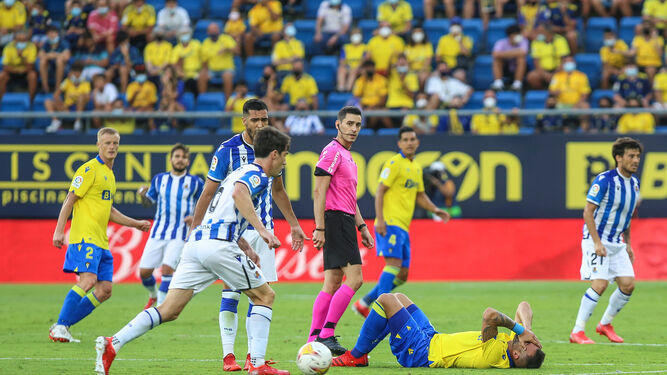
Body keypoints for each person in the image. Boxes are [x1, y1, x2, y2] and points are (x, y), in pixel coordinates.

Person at [95, 127, 293, 375]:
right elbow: (239, 194)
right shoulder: (258, 175)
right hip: (219, 246)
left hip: (197, 244)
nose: (285, 161)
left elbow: (225, 211)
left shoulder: (239, 171)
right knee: (265, 296)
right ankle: (258, 365)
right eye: (285, 155)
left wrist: (245, 246)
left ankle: (113, 343)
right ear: (274, 154)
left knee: (169, 310)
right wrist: (262, 230)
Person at [189, 99, 307, 372]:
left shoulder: (272, 149)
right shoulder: (227, 150)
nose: (261, 125)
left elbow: (279, 190)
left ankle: (255, 357)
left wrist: (294, 224)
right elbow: (209, 191)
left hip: (264, 230)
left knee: (261, 294)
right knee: (232, 292)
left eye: (264, 119)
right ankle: (228, 355)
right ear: (244, 121)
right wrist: (196, 228)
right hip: (235, 233)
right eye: (255, 120)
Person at [49, 128, 150, 344]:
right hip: (85, 237)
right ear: (98, 145)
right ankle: (60, 326)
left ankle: (62, 325)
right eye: (107, 143)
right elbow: (70, 199)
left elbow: (110, 211)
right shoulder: (88, 170)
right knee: (88, 280)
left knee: (104, 290)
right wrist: (59, 230)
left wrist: (136, 224)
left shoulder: (110, 175)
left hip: (101, 240)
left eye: (115, 143)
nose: (112, 147)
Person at [352, 127, 449, 317]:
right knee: (393, 265)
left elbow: (420, 195)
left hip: (403, 226)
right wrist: (380, 219)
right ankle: (381, 312)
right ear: (399, 143)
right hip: (390, 222)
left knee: (402, 274)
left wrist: (435, 209)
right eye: (405, 139)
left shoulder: (416, 167)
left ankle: (364, 303)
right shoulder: (394, 163)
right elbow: (380, 191)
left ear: (417, 142)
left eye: (413, 139)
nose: (410, 142)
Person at [308, 106, 375, 356]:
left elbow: (349, 197)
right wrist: (320, 227)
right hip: (335, 220)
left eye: (358, 125)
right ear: (338, 125)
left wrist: (362, 226)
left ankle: (314, 336)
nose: (354, 129)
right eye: (349, 124)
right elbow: (319, 191)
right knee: (355, 279)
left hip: (345, 220)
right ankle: (326, 333)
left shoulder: (347, 156)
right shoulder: (332, 152)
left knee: (333, 281)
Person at [333, 293, 545, 369]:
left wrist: (520, 329)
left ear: (516, 354)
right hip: (432, 338)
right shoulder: (511, 343)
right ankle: (364, 350)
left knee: (386, 300)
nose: (527, 340)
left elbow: (490, 314)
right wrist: (527, 331)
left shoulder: (495, 356)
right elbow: (523, 306)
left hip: (421, 354)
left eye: (528, 344)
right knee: (400, 298)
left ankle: (356, 356)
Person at [570, 137, 643, 344]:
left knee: (628, 285)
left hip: (616, 242)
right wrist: (597, 242)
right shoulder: (604, 180)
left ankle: (605, 324)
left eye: (638, 156)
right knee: (600, 284)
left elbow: (626, 216)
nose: (636, 160)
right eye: (631, 156)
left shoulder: (635, 184)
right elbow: (588, 212)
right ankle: (577, 331)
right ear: (618, 158)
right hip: (596, 239)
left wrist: (628, 244)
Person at [136, 144, 204, 309]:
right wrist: (142, 195)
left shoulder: (196, 182)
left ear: (188, 161)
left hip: (180, 233)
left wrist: (196, 218)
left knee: (167, 269)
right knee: (144, 272)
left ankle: (161, 307)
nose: (180, 160)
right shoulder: (159, 179)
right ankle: (153, 295)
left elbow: (206, 203)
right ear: (171, 159)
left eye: (184, 157)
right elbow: (148, 203)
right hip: (158, 232)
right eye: (177, 156)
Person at [45, 61, 90, 132]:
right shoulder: (67, 81)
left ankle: (77, 122)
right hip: (65, 108)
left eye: (79, 72)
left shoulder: (86, 83)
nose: (76, 74)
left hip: (78, 108)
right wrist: (62, 106)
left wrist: (75, 97)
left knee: (81, 98)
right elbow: (56, 94)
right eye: (75, 72)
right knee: (48, 102)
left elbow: (87, 98)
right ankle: (55, 122)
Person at [198, 22, 238, 98]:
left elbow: (237, 51)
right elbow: (204, 61)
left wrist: (227, 49)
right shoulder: (205, 43)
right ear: (208, 32)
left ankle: (228, 102)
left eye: (215, 29)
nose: (214, 31)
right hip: (212, 70)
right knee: (201, 76)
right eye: (211, 30)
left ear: (219, 30)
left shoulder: (226, 38)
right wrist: (204, 71)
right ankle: (203, 100)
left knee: (227, 76)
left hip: (227, 69)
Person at [527, 24, 570, 89]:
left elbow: (564, 59)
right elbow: (536, 61)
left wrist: (555, 73)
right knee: (532, 77)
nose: (538, 33)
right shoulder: (535, 42)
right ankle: (542, 92)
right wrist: (545, 74)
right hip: (543, 70)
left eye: (540, 31)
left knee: (567, 71)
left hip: (558, 69)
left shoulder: (560, 40)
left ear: (548, 32)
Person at [0, 29, 38, 103]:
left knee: (33, 76)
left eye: (24, 40)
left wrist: (22, 56)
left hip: (25, 73)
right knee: (1, 76)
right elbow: (5, 67)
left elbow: (31, 67)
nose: (22, 42)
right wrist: (18, 70)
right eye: (19, 40)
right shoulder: (8, 47)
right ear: (14, 40)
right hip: (13, 72)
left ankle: (31, 102)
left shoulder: (31, 46)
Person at [352, 60, 390, 129]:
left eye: (371, 67)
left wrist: (372, 107)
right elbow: (356, 97)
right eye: (367, 68)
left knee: (379, 114)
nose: (369, 69)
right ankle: (367, 133)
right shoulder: (360, 81)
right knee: (369, 114)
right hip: (364, 107)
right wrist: (364, 79)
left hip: (378, 106)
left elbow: (383, 99)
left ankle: (391, 134)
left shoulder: (381, 80)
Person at [491, 24, 528, 91]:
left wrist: (504, 54)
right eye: (515, 34)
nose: (518, 36)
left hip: (520, 68)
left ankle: (517, 84)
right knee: (497, 59)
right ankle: (498, 83)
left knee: (521, 59)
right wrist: (515, 53)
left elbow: (523, 52)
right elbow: (495, 54)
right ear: (510, 35)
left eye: (518, 34)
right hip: (505, 68)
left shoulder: (523, 41)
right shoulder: (501, 42)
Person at [39, 26, 72, 93]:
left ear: (57, 34)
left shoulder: (63, 43)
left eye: (54, 33)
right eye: (49, 33)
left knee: (59, 61)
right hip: (50, 66)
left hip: (64, 66)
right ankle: (45, 87)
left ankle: (57, 88)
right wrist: (56, 55)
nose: (52, 35)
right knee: (42, 62)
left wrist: (52, 55)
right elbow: (40, 55)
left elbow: (66, 57)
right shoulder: (46, 43)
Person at [337, 28, 366, 92]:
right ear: (350, 36)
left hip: (359, 68)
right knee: (341, 69)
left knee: (354, 70)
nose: (355, 36)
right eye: (354, 34)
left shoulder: (365, 47)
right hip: (348, 67)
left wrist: (356, 67)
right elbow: (342, 61)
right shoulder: (346, 47)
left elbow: (364, 60)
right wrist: (346, 67)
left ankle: (348, 88)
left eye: (357, 34)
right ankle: (341, 88)